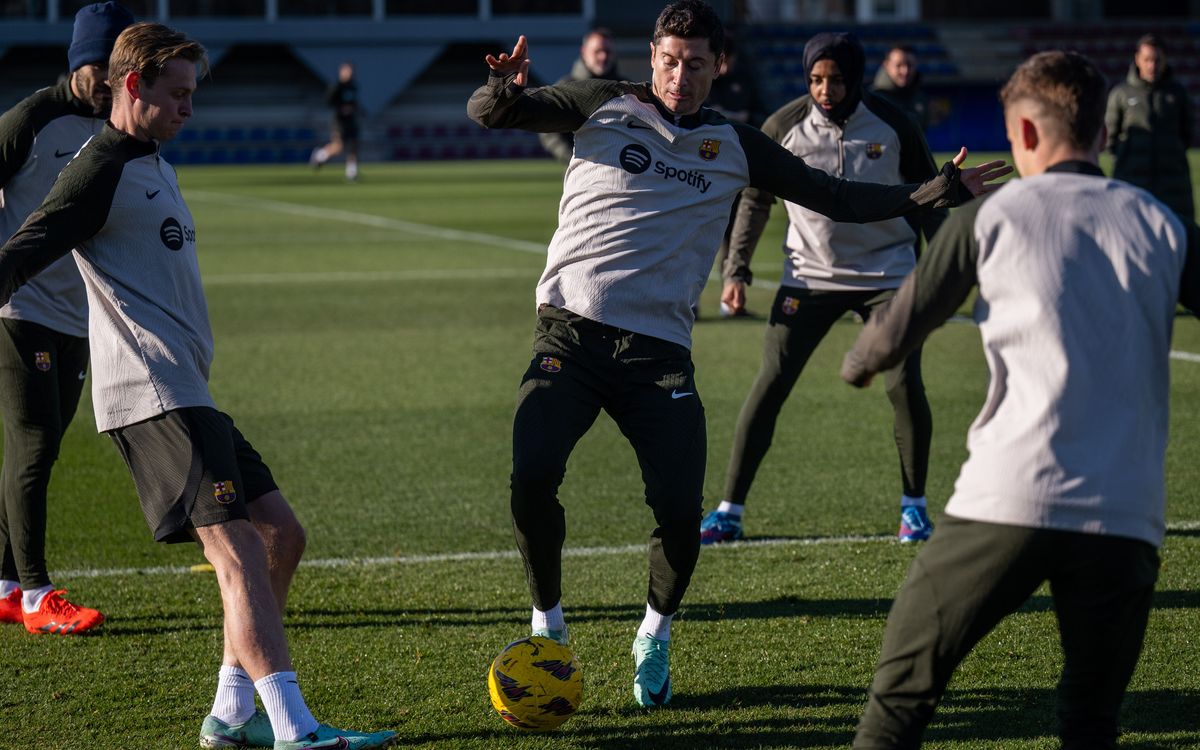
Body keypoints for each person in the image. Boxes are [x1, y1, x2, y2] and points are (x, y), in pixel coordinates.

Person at [467, 0, 1008, 709]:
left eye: (695, 64)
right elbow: (493, 113)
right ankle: (549, 624)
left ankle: (654, 635)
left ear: (718, 66)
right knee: (531, 474)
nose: (679, 76)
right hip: (570, 333)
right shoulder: (603, 102)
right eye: (668, 60)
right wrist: (505, 88)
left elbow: (837, 198)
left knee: (678, 512)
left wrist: (933, 191)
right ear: (652, 56)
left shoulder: (739, 145)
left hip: (657, 357)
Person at [0, 23, 396, 750]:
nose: (189, 108)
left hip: (189, 389)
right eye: (176, 94)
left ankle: (230, 711)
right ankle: (295, 728)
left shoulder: (154, 160)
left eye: (192, 93)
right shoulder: (100, 168)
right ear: (131, 86)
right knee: (240, 551)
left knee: (282, 536)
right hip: (152, 395)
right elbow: (25, 247)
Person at [842, 50, 1200, 748]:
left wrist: (856, 363)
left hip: (1009, 500)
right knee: (1090, 722)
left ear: (1026, 137)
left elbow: (889, 337)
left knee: (898, 702)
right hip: (1126, 516)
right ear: (1101, 133)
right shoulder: (1161, 223)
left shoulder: (997, 214)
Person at [701, 32, 944, 547]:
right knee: (771, 384)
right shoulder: (783, 125)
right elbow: (754, 202)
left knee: (903, 385)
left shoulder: (896, 123)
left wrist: (946, 274)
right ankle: (728, 510)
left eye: (835, 79)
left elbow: (931, 198)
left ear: (855, 79)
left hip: (889, 277)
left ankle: (915, 508)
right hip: (808, 277)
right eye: (815, 79)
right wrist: (736, 271)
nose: (825, 89)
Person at [0, 0, 133, 636]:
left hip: (79, 318)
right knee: (32, 444)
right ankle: (34, 595)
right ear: (80, 61)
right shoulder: (30, 120)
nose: (109, 80)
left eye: (119, 67)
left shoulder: (116, 128)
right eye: (99, 65)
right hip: (18, 307)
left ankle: (2, 582)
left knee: (44, 450)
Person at [704, 33, 767, 317]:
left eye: (730, 60)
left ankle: (730, 301)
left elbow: (763, 115)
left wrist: (745, 120)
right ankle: (688, 303)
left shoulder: (746, 80)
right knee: (699, 234)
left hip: (737, 167)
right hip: (702, 169)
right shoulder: (703, 80)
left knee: (735, 234)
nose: (726, 67)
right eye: (722, 61)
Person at [1105, 34, 1194, 219]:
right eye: (1147, 60)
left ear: (1165, 60)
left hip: (1172, 184)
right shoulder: (1121, 94)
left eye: (1157, 60)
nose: (1152, 65)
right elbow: (1110, 137)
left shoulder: (1178, 94)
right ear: (1137, 59)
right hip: (1132, 181)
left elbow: (1187, 134)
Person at [538, 28, 622, 163]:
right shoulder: (566, 87)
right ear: (584, 51)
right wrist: (576, 158)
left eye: (607, 51)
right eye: (597, 51)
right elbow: (548, 132)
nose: (603, 57)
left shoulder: (624, 88)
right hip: (580, 177)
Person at [310, 61, 360, 182]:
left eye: (350, 71)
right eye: (346, 70)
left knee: (354, 144)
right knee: (339, 147)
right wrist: (341, 108)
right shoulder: (336, 86)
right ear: (341, 72)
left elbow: (354, 101)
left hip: (351, 119)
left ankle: (351, 173)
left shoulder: (353, 86)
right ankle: (320, 155)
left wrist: (352, 108)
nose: (349, 73)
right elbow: (329, 102)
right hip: (339, 121)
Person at [872, 44, 928, 131]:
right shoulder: (872, 100)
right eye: (898, 65)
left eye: (909, 65)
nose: (905, 71)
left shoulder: (920, 98)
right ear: (886, 65)